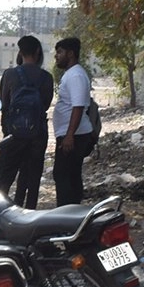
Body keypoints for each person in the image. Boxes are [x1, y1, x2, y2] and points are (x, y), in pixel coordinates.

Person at [0, 35, 53, 208]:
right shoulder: (46, 77)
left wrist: (7, 131)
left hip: (13, 135)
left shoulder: (10, 74)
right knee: (31, 182)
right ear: (38, 51)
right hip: (38, 135)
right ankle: (28, 215)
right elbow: (45, 105)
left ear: (20, 52)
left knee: (3, 179)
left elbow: (4, 104)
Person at [51, 37, 95, 206]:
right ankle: (72, 214)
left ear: (70, 53)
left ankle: (67, 216)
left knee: (63, 176)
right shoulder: (71, 74)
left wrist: (69, 135)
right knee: (70, 175)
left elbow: (77, 107)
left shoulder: (75, 75)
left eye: (60, 52)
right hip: (72, 134)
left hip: (74, 136)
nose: (57, 56)